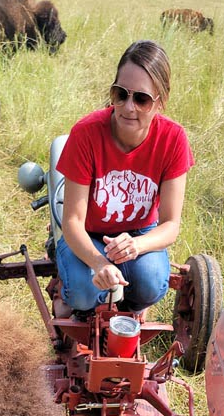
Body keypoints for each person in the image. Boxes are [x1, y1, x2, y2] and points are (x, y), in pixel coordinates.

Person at [55, 40, 194, 315]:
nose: (129, 107)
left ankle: (130, 309)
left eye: (141, 99)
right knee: (83, 292)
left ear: (161, 102)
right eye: (121, 94)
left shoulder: (173, 140)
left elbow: (170, 225)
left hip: (139, 234)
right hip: (89, 234)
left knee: (152, 283)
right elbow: (71, 221)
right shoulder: (86, 134)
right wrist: (99, 264)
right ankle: (76, 302)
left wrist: (136, 245)